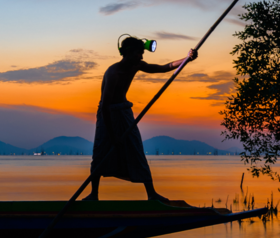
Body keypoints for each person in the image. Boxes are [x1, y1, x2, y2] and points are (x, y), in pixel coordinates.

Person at [82, 37, 197, 202]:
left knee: (136, 148)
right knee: (101, 151)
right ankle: (94, 195)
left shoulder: (136, 66)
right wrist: (112, 135)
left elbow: (163, 67)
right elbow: (105, 106)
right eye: (139, 54)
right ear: (128, 53)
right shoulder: (113, 73)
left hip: (124, 112)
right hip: (107, 114)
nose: (141, 58)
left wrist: (187, 59)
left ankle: (151, 194)